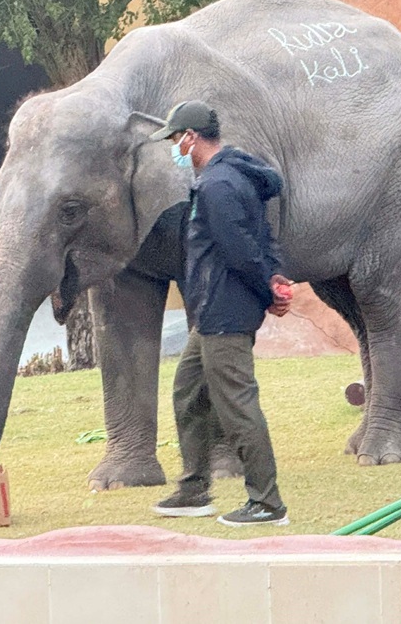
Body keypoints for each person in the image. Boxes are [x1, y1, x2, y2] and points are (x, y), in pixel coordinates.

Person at [147, 100, 293, 526]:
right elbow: (262, 236)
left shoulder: (217, 185)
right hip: (214, 312)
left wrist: (268, 288)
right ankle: (194, 489)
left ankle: (267, 503)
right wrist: (273, 277)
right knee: (188, 390)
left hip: (224, 310)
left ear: (191, 137)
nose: (175, 147)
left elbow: (240, 250)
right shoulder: (233, 177)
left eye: (176, 139)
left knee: (237, 405)